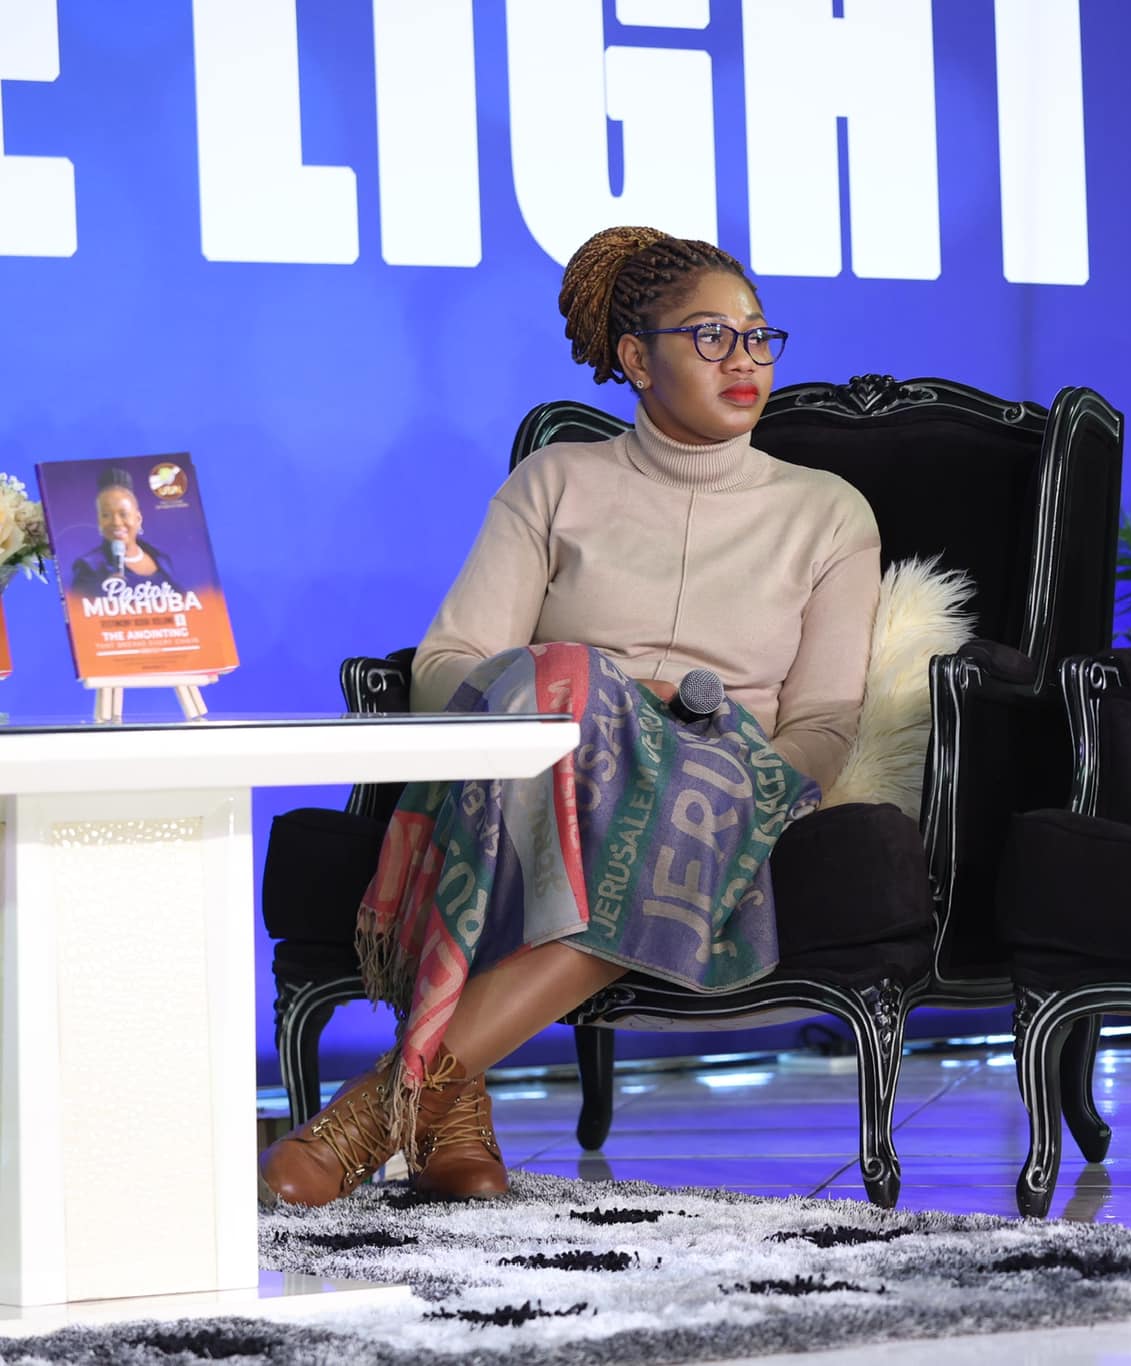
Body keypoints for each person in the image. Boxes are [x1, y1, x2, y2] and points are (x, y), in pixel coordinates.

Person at [259, 227, 882, 1208]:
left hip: (723, 783)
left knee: (651, 800)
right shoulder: (554, 482)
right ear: (635, 357)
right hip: (554, 766)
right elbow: (446, 668)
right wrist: (579, 699)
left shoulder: (829, 511)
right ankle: (449, 1110)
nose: (745, 360)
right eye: (711, 337)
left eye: (759, 337)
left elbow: (826, 721)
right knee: (566, 682)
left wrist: (747, 778)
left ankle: (377, 1110)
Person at [67, 466, 180, 595]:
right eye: (106, 515)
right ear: (99, 522)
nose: (116, 522)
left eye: (123, 514)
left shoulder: (161, 560)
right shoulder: (89, 567)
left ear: (138, 519)